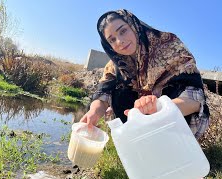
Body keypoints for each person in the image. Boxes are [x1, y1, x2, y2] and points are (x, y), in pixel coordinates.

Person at [80, 9, 210, 139]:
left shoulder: (168, 45)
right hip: (140, 124)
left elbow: (195, 101)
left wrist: (157, 106)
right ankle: (133, 138)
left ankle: (168, 142)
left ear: (133, 26)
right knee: (117, 90)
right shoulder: (116, 64)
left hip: (174, 119)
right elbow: (103, 93)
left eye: (123, 31)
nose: (120, 41)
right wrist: (94, 113)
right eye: (112, 40)